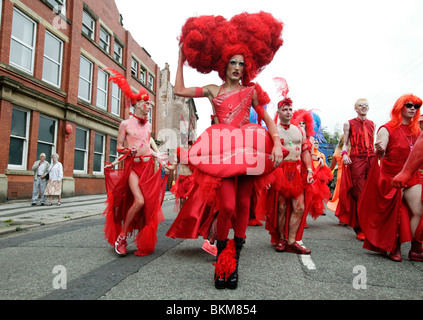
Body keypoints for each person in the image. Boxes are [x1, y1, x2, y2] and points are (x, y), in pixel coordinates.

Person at [166, 12, 284, 290]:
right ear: (225, 64)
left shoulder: (251, 91)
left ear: (246, 67)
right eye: (233, 62)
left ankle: (234, 262)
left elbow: (267, 118)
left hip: (247, 147)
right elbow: (179, 89)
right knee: (228, 205)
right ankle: (222, 255)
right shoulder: (212, 90)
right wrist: (180, 59)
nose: (237, 67)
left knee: (244, 204)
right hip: (221, 149)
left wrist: (277, 142)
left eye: (242, 64)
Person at [102, 69, 168, 257]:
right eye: (146, 103)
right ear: (137, 104)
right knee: (138, 201)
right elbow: (118, 147)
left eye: (149, 103)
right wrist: (125, 152)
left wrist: (159, 158)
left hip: (147, 168)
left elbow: (148, 145)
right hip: (132, 167)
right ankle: (121, 238)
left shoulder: (147, 126)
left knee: (148, 205)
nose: (148, 106)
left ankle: (140, 239)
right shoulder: (124, 124)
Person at [358, 94, 423, 262]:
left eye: (416, 106)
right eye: (409, 105)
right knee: (397, 213)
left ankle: (416, 248)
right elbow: (381, 149)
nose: (412, 109)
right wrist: (379, 150)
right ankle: (394, 246)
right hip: (391, 177)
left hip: (412, 176)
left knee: (419, 210)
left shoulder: (417, 131)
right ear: (399, 107)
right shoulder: (387, 128)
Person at [256, 95, 314, 254]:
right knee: (280, 207)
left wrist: (309, 170)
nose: (288, 112)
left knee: (299, 206)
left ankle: (292, 241)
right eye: (285, 109)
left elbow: (305, 152)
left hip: (295, 171)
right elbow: (267, 154)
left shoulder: (299, 130)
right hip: (279, 170)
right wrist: (265, 176)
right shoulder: (273, 130)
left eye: (290, 109)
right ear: (279, 112)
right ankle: (281, 239)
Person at [336, 98, 375, 240]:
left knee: (371, 193)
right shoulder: (349, 123)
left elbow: (372, 142)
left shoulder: (372, 124)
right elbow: (345, 144)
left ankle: (369, 226)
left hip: (371, 159)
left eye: (366, 105)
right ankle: (359, 228)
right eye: (361, 106)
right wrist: (345, 154)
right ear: (356, 108)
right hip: (356, 159)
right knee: (358, 193)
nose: (364, 108)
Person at [327, 135, 346, 214]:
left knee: (339, 195)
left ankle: (340, 213)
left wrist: (324, 174)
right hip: (347, 175)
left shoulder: (336, 152)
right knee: (346, 196)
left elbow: (331, 167)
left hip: (339, 174)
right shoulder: (350, 152)